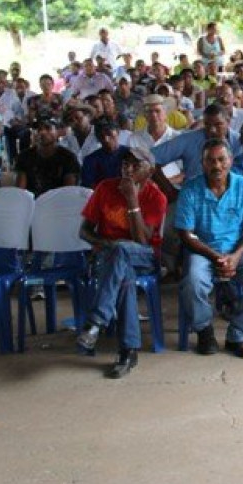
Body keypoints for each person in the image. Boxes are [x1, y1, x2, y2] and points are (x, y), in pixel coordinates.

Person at [176, 138, 243, 358]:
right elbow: (185, 233)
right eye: (210, 160)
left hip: (239, 250)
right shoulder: (191, 189)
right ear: (202, 164)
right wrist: (217, 257)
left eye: (221, 159)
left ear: (230, 161)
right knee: (192, 279)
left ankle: (239, 334)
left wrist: (235, 257)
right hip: (202, 250)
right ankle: (204, 331)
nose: (216, 165)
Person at [75, 146, 167, 378]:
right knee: (123, 276)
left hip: (143, 256)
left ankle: (96, 321)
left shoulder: (156, 197)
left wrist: (132, 200)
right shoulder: (105, 188)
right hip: (109, 257)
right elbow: (84, 232)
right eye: (125, 163)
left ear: (150, 170)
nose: (128, 168)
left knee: (122, 251)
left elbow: (142, 240)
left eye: (136, 164)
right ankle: (127, 351)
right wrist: (105, 244)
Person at [81, 121, 128, 189]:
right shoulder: (90, 159)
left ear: (118, 133)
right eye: (101, 136)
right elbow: (88, 187)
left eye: (109, 134)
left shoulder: (130, 154)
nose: (106, 139)